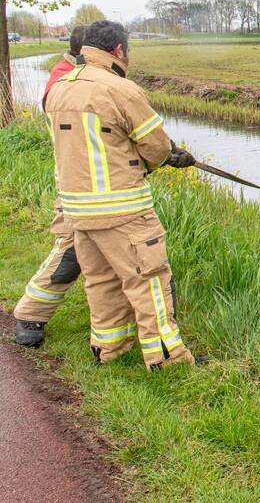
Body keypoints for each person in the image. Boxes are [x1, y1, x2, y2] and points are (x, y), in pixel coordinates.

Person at [44, 21, 202, 369]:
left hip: (77, 211)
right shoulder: (121, 89)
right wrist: (169, 156)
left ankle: (109, 349)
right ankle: (167, 358)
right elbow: (156, 147)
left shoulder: (60, 88)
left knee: (101, 282)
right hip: (123, 209)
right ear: (119, 50)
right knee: (149, 280)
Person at [14, 26, 87, 347]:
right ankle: (30, 313)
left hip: (89, 178)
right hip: (77, 181)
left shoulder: (71, 76)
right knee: (71, 251)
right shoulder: (64, 82)